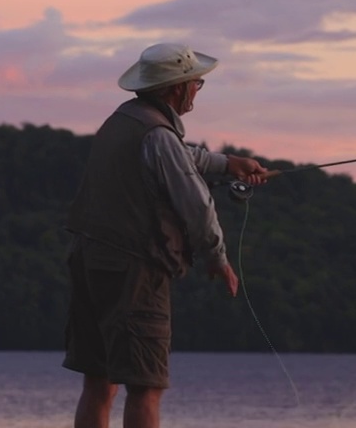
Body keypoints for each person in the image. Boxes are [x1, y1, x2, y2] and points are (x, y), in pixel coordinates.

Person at [62, 42, 270, 428]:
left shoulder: (124, 121)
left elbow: (180, 156)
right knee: (145, 385)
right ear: (177, 88)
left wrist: (229, 164)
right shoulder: (157, 134)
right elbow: (197, 205)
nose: (196, 91)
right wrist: (218, 258)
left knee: (100, 380)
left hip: (89, 260)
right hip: (132, 269)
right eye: (196, 84)